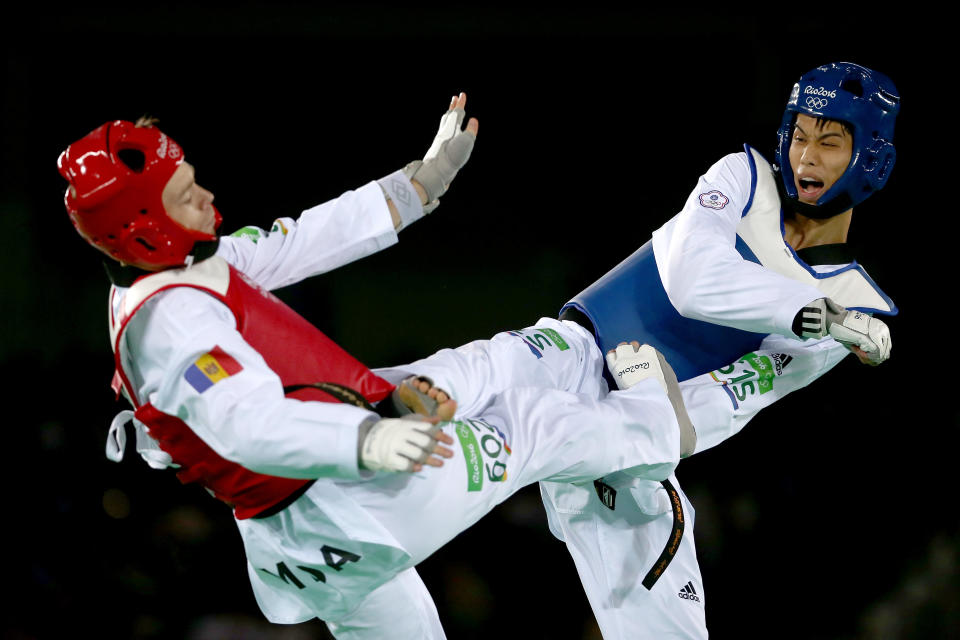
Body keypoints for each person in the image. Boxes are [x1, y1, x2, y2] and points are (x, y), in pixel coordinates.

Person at [59, 94, 695, 639]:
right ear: (141, 229)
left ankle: (553, 366)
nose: (206, 195)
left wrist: (416, 187)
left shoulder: (178, 268)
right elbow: (246, 426)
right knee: (532, 422)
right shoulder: (173, 328)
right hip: (340, 507)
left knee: (475, 367)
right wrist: (374, 440)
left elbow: (295, 240)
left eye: (191, 177)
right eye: (183, 195)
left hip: (320, 506)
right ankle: (659, 424)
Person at [394, 61, 900, 638]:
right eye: (800, 135)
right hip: (579, 353)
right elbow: (692, 277)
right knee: (485, 370)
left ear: (871, 158)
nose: (805, 157)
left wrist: (653, 418)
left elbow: (734, 397)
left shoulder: (858, 302)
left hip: (640, 440)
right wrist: (809, 313)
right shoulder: (743, 177)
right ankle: (332, 410)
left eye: (829, 142)